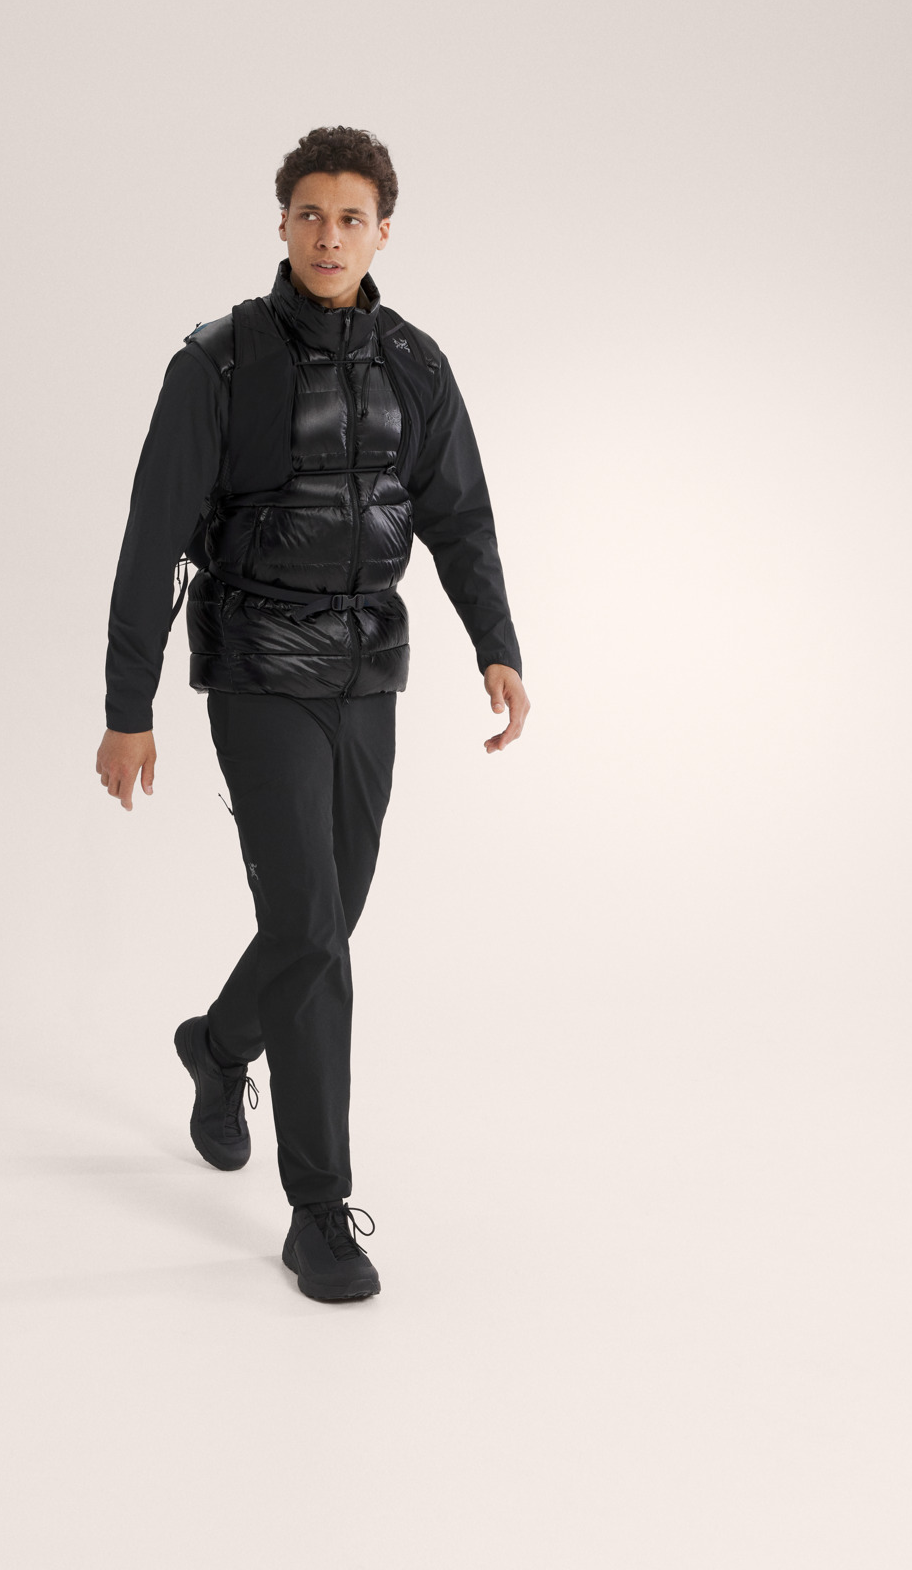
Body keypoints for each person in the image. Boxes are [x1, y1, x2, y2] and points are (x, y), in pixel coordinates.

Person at [96, 125, 528, 1302]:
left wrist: (496, 642)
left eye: (351, 218)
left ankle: (218, 1043)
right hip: (256, 668)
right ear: (281, 222)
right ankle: (320, 1209)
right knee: (313, 928)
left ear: (383, 231)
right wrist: (127, 704)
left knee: (323, 924)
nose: (329, 236)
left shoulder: (415, 364)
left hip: (368, 671)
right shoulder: (219, 363)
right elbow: (150, 535)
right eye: (310, 215)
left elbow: (460, 513)